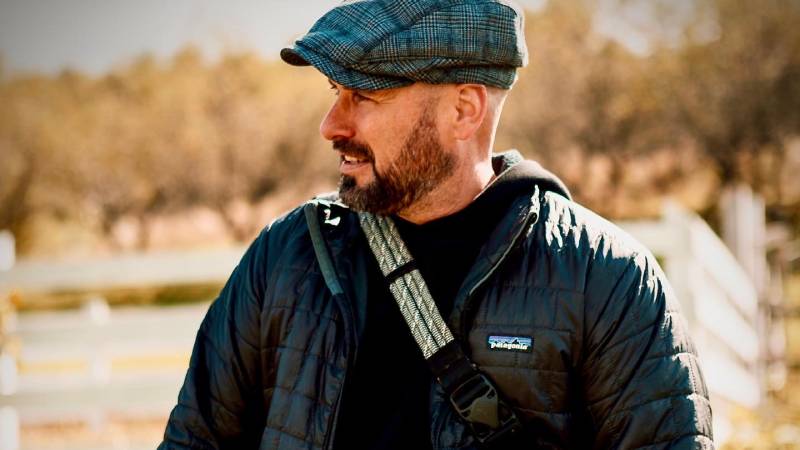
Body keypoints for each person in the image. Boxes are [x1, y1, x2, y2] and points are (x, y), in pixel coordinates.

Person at [159, 0, 713, 449]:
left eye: (364, 95)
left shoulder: (607, 279)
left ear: (464, 111)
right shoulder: (285, 255)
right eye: (335, 93)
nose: (331, 125)